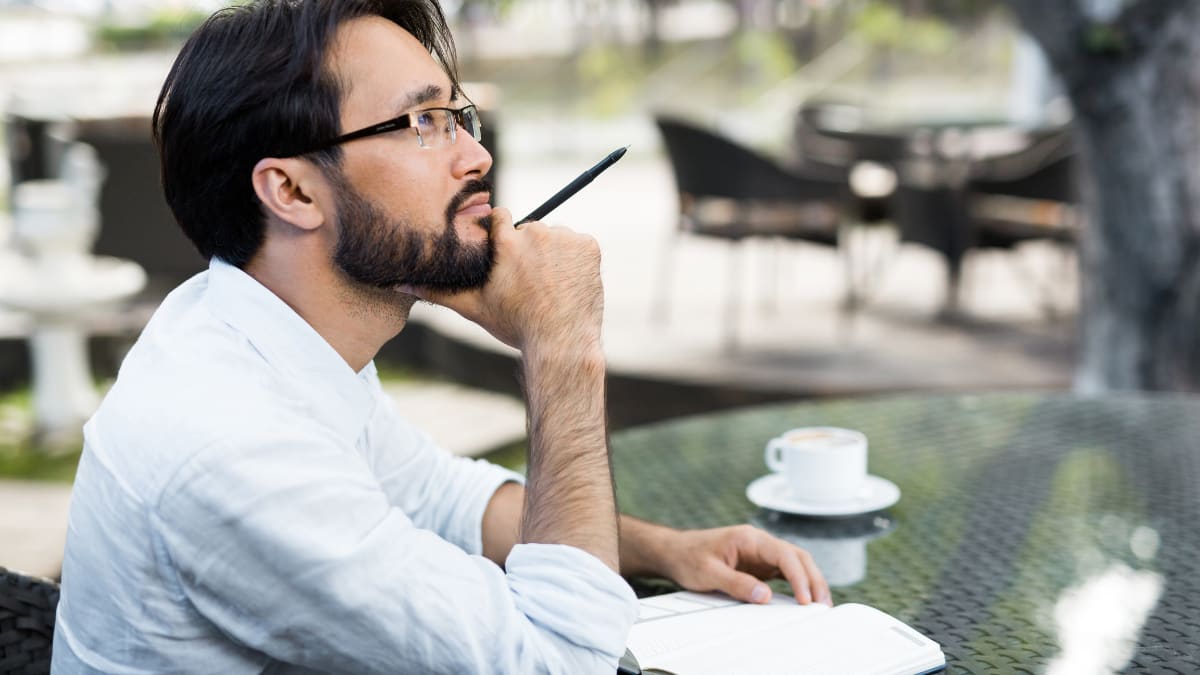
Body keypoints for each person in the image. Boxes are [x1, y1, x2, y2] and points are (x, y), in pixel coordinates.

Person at [51, 1, 830, 672]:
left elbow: (439, 497)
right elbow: (562, 658)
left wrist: (665, 549)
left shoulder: (261, 327)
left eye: (460, 118)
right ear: (291, 189)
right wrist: (562, 347)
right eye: (423, 122)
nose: (476, 155)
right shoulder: (231, 449)